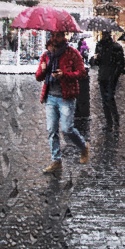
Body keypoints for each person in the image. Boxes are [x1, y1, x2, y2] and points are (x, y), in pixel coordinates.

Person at [36, 33, 89, 174]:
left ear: (63, 37)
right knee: (51, 130)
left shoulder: (72, 53)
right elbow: (38, 77)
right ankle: (56, 160)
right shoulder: (47, 55)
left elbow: (82, 73)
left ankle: (83, 147)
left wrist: (64, 75)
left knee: (67, 129)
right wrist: (42, 69)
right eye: (53, 36)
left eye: (58, 36)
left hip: (66, 97)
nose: (55, 39)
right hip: (51, 97)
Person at [94, 30, 125, 128]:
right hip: (102, 76)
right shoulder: (99, 45)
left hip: (111, 77)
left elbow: (121, 64)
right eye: (103, 33)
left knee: (109, 98)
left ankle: (115, 120)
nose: (104, 35)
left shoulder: (116, 47)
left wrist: (115, 75)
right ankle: (109, 122)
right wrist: (95, 59)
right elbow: (97, 63)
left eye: (106, 33)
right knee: (104, 101)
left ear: (109, 34)